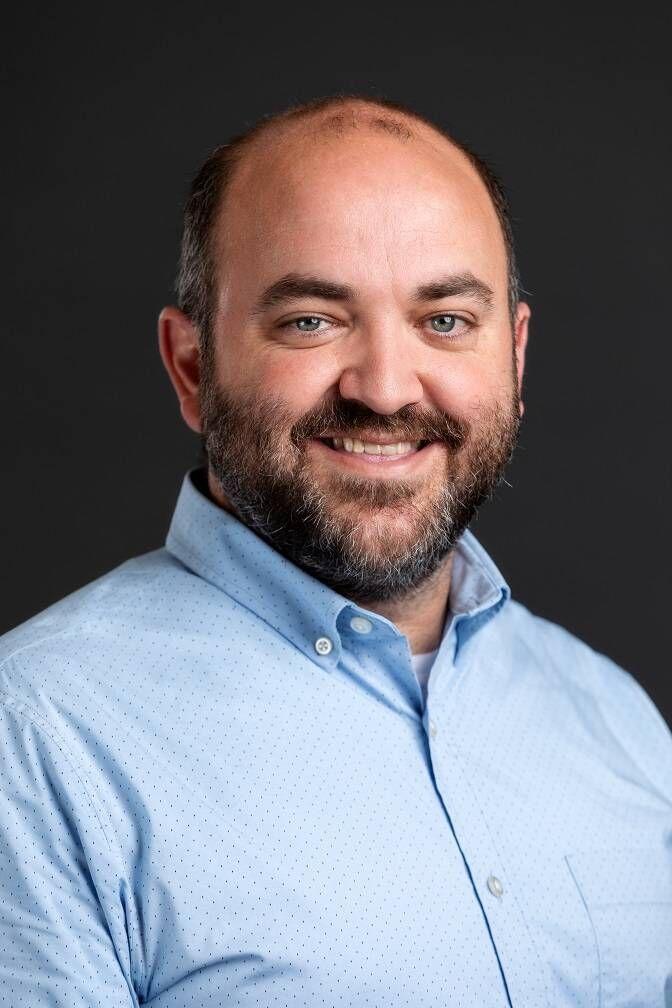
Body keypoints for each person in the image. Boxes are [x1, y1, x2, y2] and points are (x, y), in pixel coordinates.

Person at [1, 95, 670, 1007]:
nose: (387, 390)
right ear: (192, 368)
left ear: (514, 360)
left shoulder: (618, 722)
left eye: (445, 320)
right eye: (312, 320)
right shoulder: (35, 737)